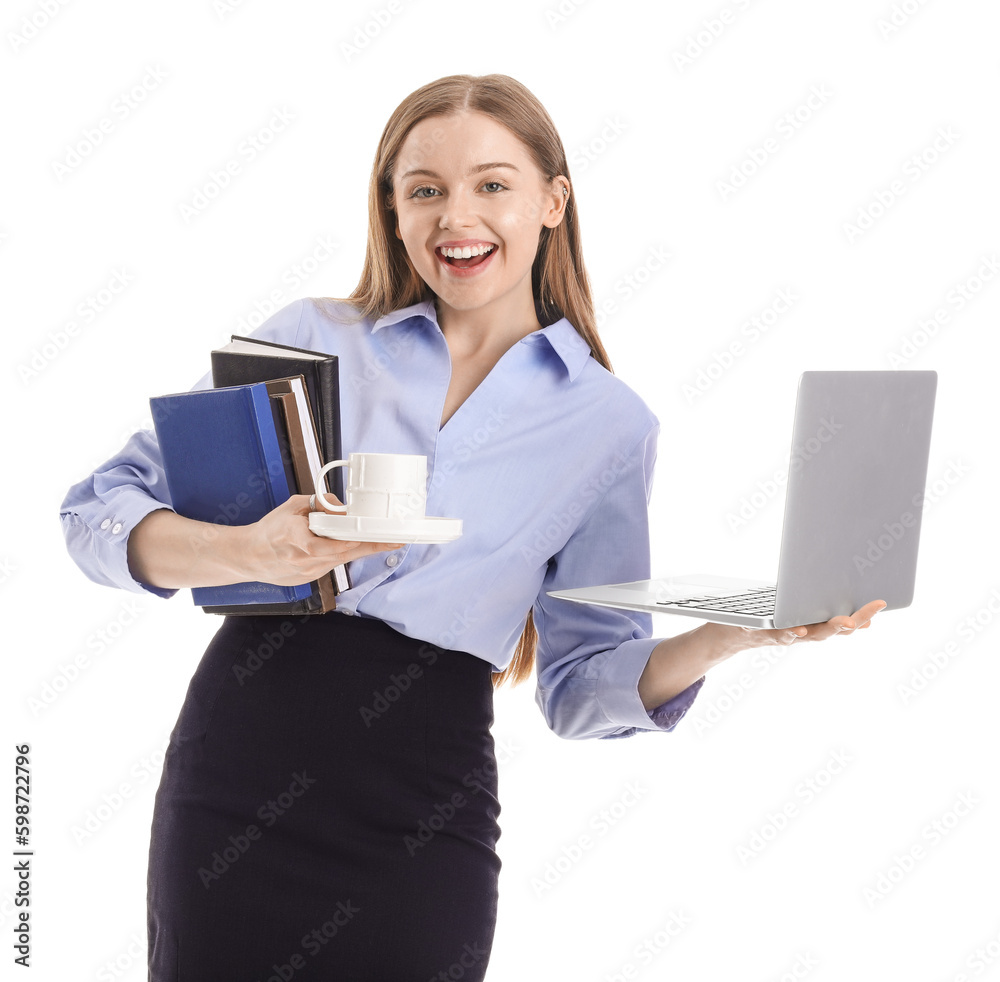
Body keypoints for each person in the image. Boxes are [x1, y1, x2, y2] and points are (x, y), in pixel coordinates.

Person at [59, 73, 885, 981]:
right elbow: (100, 509)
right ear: (394, 208)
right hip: (241, 769)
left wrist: (730, 634)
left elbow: (579, 686)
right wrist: (242, 550)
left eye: (493, 184)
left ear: (552, 202)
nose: (459, 217)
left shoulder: (608, 425)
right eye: (426, 189)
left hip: (422, 801)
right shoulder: (315, 338)